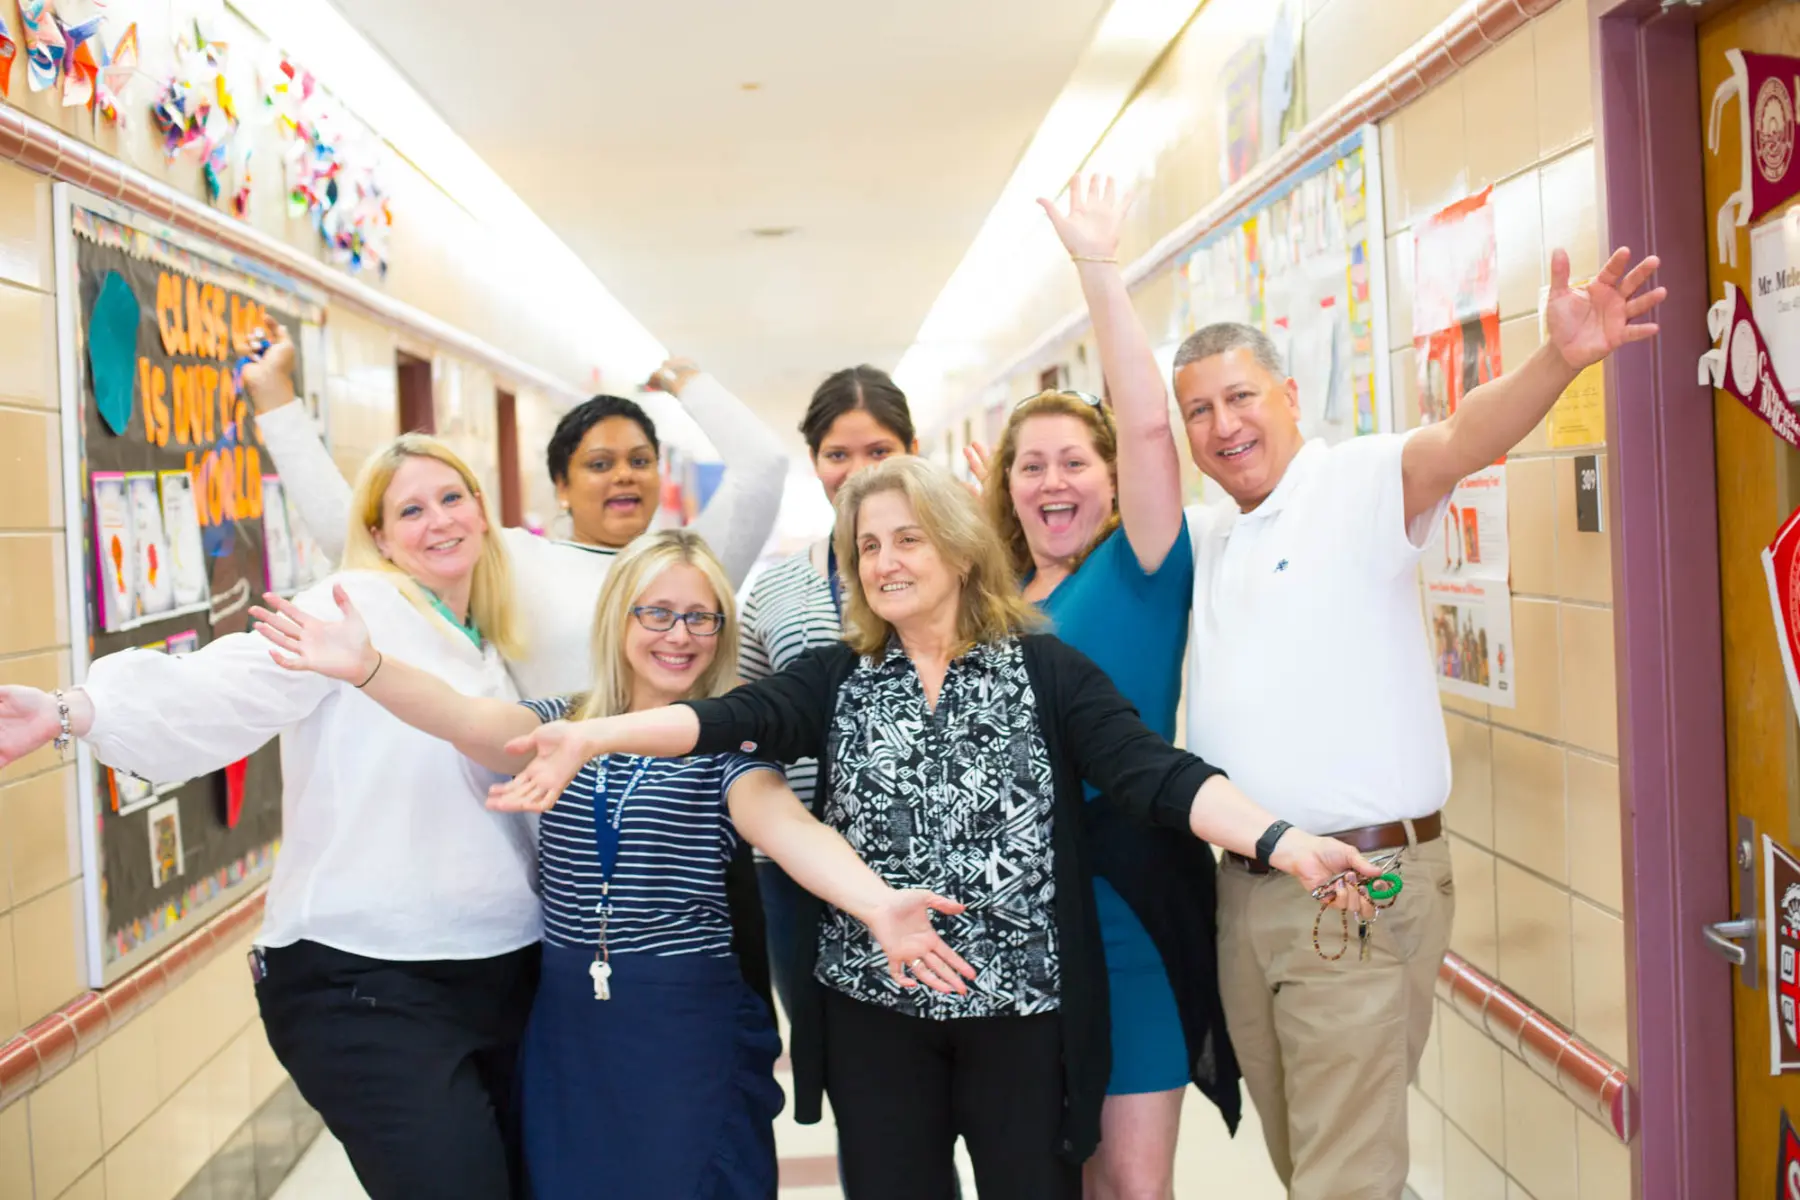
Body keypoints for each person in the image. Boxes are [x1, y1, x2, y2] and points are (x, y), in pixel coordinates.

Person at [485, 456, 1380, 1200]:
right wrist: (594, 734)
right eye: (867, 545)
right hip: (875, 1012)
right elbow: (724, 720)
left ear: (958, 549)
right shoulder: (839, 674)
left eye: (907, 538)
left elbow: (1157, 773)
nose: (884, 561)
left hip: (1024, 1014)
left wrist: (1280, 840)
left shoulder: (1045, 669)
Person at [1156, 245, 1663, 1198]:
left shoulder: (1355, 482)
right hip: (1247, 889)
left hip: (1357, 879)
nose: (1223, 425)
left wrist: (1558, 359)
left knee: (1343, 1177)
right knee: (1307, 1160)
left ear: (1291, 394)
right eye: (1199, 410)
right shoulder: (1212, 534)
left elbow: (1464, 437)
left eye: (1241, 397)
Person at [250, 529, 973, 1196]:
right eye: (656, 613)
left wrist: (875, 901)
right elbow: (464, 719)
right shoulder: (559, 723)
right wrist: (368, 668)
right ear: (619, 619)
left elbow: (788, 827)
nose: (679, 635)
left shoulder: (724, 744)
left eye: (700, 617)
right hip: (568, 1026)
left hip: (683, 1032)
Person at [0, 435, 541, 1200]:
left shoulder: (494, 638)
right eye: (410, 510)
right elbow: (225, 687)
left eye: (453, 499)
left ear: (484, 513)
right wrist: (74, 711)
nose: (439, 521)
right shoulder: (350, 607)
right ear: (380, 536)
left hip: (503, 968)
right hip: (366, 980)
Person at [965, 175, 1235, 1200]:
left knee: (1133, 1183)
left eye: (1074, 461)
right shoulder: (986, 603)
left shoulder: (1144, 567)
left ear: (1113, 477)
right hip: (1023, 913)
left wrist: (1097, 270)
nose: (1053, 482)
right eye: (1030, 466)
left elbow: (1154, 424)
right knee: (1054, 1176)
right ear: (1007, 489)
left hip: (1127, 889)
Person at [242, 326, 789, 697]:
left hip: (692, 820)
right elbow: (358, 539)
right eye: (600, 464)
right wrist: (274, 399)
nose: (624, 474)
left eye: (640, 461)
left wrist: (686, 380)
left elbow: (763, 465)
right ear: (562, 486)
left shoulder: (694, 565)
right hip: (562, 831)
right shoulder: (514, 560)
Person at [739, 365, 917, 1017]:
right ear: (813, 462)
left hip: (933, 853)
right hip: (800, 870)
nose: (858, 471)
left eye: (879, 451)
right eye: (837, 454)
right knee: (840, 1058)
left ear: (911, 452)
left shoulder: (959, 574)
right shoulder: (777, 590)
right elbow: (748, 728)